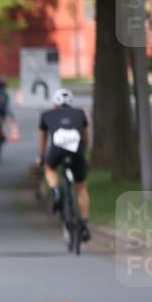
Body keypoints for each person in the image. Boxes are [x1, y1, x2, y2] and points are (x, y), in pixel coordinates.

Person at [37, 87, 91, 242]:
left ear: (55, 104)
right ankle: (85, 223)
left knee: (50, 168)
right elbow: (86, 137)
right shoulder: (80, 113)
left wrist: (41, 157)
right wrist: (83, 151)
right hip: (77, 151)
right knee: (81, 187)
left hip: (57, 150)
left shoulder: (47, 115)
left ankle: (56, 191)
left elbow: (43, 138)